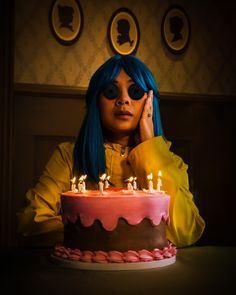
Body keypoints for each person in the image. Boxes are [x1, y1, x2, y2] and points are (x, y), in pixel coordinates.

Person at [17, 54, 205, 247]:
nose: (123, 99)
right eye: (111, 91)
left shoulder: (172, 162)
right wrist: (103, 230)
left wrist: (149, 147)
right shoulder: (69, 156)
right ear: (96, 102)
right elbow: (31, 223)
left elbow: (185, 231)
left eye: (135, 91)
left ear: (150, 103)